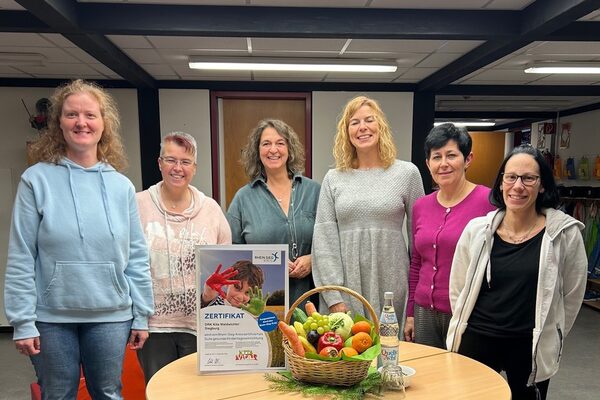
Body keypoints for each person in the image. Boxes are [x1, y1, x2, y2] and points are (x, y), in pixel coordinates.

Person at [4, 79, 154, 399]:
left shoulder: (121, 187)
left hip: (111, 315)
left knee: (108, 392)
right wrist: (22, 320)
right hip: (51, 318)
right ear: (59, 123)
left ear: (104, 123)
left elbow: (137, 256)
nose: (81, 122)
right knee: (57, 394)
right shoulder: (36, 181)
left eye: (90, 115)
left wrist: (141, 313)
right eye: (72, 115)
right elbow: (21, 256)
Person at [446, 145, 587, 399]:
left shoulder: (564, 234)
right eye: (510, 177)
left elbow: (573, 294)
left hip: (529, 343)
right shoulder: (477, 230)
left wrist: (551, 332)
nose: (518, 186)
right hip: (478, 337)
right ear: (501, 183)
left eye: (528, 178)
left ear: (542, 185)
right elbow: (458, 287)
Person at [312, 96, 425, 319]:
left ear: (380, 126)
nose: (362, 127)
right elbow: (324, 240)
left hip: (393, 284)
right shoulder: (334, 178)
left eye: (369, 120)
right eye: (354, 122)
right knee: (350, 350)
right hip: (347, 287)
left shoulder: (407, 174)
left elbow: (418, 240)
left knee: (393, 349)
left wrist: (414, 298)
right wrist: (334, 297)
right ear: (346, 132)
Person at [135, 131, 231, 383]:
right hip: (154, 326)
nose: (178, 168)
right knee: (159, 391)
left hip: (200, 325)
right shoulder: (137, 205)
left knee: (201, 393)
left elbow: (225, 264)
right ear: (159, 163)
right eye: (170, 160)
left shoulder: (210, 209)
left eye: (185, 162)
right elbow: (127, 265)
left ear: (195, 168)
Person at [404, 123, 495, 348]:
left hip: (467, 312)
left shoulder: (488, 202)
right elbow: (417, 262)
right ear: (428, 163)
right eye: (436, 157)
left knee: (464, 377)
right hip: (424, 312)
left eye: (451, 155)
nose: (443, 164)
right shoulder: (421, 206)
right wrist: (411, 313)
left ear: (468, 159)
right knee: (427, 378)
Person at [226, 119, 320, 307]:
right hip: (264, 305)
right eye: (266, 144)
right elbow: (232, 252)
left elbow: (331, 241)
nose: (273, 149)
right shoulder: (244, 198)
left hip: (311, 299)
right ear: (257, 151)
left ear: (290, 149)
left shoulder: (314, 191)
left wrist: (313, 259)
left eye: (280, 143)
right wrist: (271, 265)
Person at [200, 260, 266, 314]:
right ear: (227, 283)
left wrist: (257, 315)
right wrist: (209, 291)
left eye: (247, 292)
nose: (240, 297)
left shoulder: (249, 311)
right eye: (237, 288)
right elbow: (207, 298)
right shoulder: (217, 302)